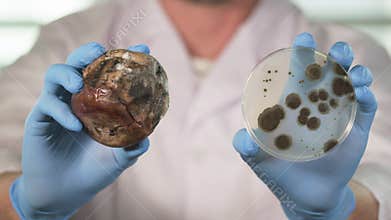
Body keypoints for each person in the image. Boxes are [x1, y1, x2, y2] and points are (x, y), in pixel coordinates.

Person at [0, 0, 390, 219]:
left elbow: (384, 184)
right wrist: (28, 202)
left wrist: (337, 210)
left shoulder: (348, 62)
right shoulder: (64, 41)